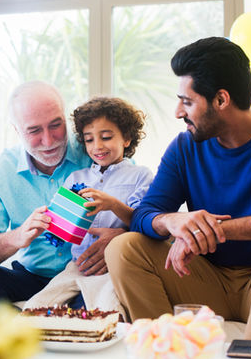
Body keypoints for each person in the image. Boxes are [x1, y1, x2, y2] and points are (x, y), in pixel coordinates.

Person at [105, 37, 251, 343]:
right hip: (202, 281)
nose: (177, 112)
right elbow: (144, 215)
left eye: (187, 101)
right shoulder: (184, 148)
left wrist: (213, 231)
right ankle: (167, 355)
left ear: (221, 100)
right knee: (123, 248)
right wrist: (173, 222)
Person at [0, 81, 126, 315]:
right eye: (34, 130)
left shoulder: (97, 149)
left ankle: (45, 327)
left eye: (56, 125)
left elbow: (143, 210)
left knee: (102, 298)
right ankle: (24, 333)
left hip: (86, 274)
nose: (48, 140)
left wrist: (121, 237)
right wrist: (17, 237)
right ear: (16, 130)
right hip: (30, 277)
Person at [23, 97, 153, 312]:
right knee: (35, 308)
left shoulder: (140, 176)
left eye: (106, 137)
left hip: (115, 268)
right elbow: (60, 230)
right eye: (89, 139)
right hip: (77, 266)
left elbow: (144, 222)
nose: (97, 146)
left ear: (127, 139)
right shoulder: (76, 177)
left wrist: (112, 204)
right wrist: (49, 224)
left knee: (105, 309)